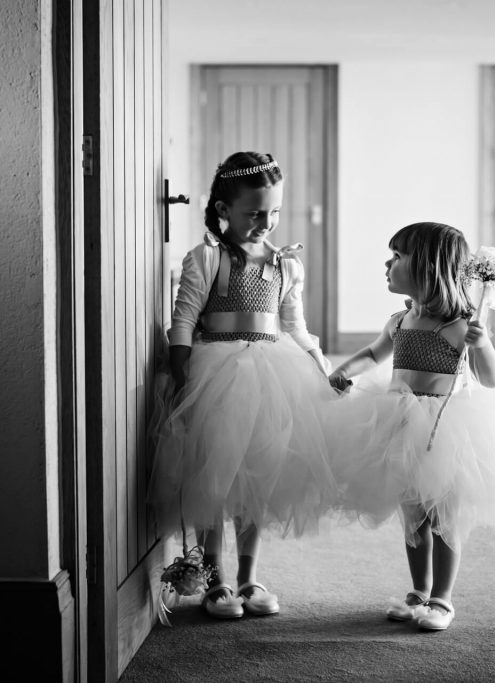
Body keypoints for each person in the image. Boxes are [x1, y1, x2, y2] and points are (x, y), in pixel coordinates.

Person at [149, 151, 335, 620]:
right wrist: (181, 373)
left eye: (273, 212)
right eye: (255, 213)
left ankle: (250, 575)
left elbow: (295, 325)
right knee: (217, 475)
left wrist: (318, 363)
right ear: (222, 210)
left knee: (259, 475)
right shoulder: (207, 258)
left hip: (273, 378)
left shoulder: (285, 265)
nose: (266, 222)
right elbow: (185, 318)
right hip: (219, 376)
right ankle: (216, 576)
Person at [327, 222, 495, 631]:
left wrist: (481, 344)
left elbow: (491, 378)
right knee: (411, 513)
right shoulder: (400, 321)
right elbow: (372, 353)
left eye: (397, 257)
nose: (387, 263)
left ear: (429, 267)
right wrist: (346, 371)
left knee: (444, 515)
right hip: (398, 423)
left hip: (443, 428)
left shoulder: (458, 325)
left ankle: (442, 598)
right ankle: (418, 589)